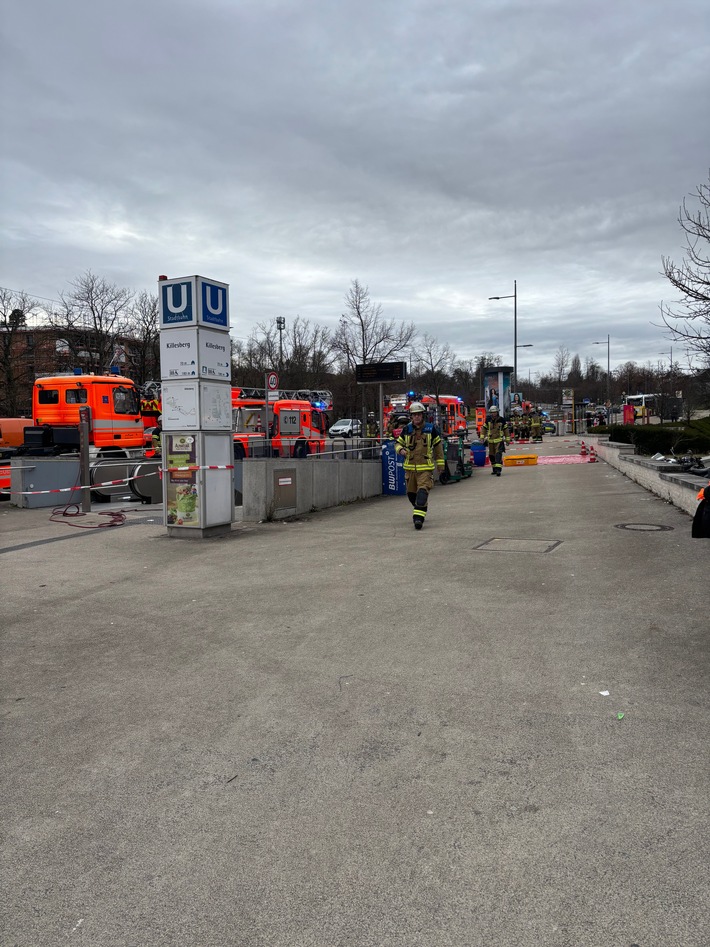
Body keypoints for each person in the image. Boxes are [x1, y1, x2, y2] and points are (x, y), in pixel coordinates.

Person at [395, 402, 447, 530]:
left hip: (425, 469)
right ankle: (420, 508)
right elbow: (397, 443)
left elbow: (438, 448)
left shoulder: (431, 429)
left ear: (422, 415)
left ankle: (418, 519)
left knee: (422, 493)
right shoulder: (407, 429)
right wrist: (401, 450)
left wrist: (441, 465)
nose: (417, 417)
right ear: (411, 416)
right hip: (410, 469)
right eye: (414, 415)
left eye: (419, 414)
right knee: (411, 495)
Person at [480, 405, 509, 476]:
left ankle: (498, 470)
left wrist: (507, 439)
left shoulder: (501, 420)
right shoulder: (488, 420)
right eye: (492, 412)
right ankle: (494, 469)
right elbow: (484, 429)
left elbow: (506, 430)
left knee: (498, 455)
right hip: (490, 441)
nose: (494, 414)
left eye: (495, 412)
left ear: (497, 412)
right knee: (491, 456)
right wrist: (482, 437)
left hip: (499, 441)